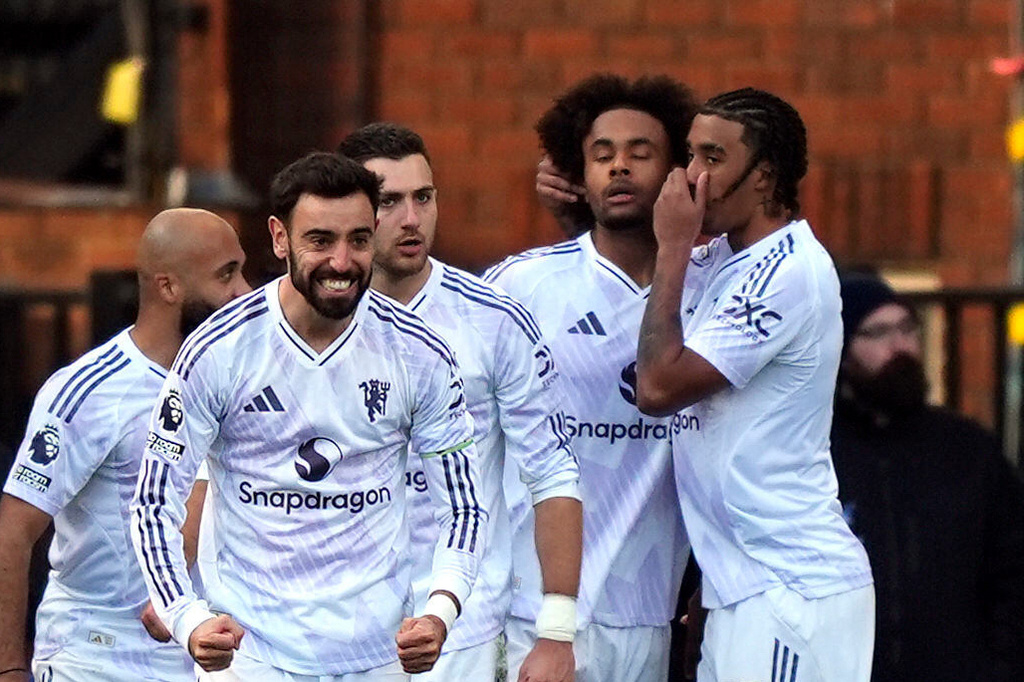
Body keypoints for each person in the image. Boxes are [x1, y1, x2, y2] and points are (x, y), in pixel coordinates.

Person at [130, 152, 487, 681]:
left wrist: (441, 610)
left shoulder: (419, 353)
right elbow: (154, 498)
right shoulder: (219, 348)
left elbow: (464, 505)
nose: (342, 262)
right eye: (320, 241)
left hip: (377, 659)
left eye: (359, 240)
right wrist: (187, 618)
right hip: (252, 660)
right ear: (279, 239)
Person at [635, 87, 875, 682]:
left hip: (793, 586)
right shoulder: (719, 258)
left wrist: (670, 248)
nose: (693, 177)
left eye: (713, 159)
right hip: (738, 586)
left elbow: (659, 386)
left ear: (764, 177)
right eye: (689, 155)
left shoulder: (789, 269)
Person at [338, 123, 583, 682]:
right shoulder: (306, 323)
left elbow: (553, 474)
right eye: (388, 202)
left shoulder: (493, 321)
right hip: (335, 629)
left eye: (423, 198)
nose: (410, 218)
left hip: (459, 635)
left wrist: (556, 632)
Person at [485, 73, 696, 682]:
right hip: (530, 608)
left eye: (640, 153)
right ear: (580, 173)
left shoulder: (710, 288)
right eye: (602, 155)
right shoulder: (519, 286)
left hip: (648, 609)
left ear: (676, 168)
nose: (620, 168)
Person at [0, 208, 249, 682]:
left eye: (242, 269)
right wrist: (9, 668)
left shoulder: (239, 382)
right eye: (226, 275)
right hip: (96, 655)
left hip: (203, 658)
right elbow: (13, 529)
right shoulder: (90, 390)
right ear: (168, 287)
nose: (245, 291)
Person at [832, 272, 1024, 682]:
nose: (900, 345)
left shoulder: (967, 450)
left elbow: (1012, 567)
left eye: (906, 327)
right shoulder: (817, 456)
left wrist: (1000, 667)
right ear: (842, 352)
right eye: (877, 333)